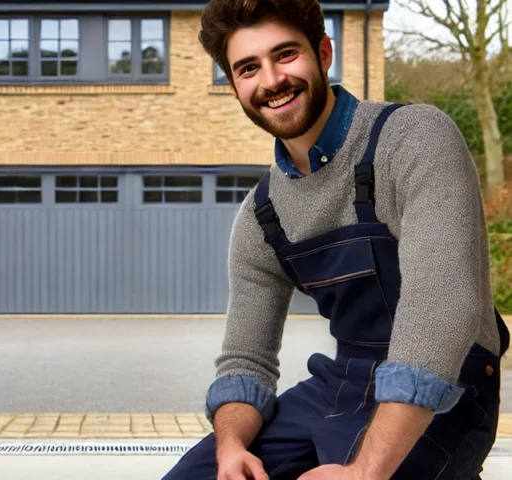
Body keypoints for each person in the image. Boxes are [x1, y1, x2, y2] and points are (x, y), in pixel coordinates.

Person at [161, 1, 511, 479]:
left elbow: (444, 306)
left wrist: (366, 470)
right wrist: (230, 448)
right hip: (342, 385)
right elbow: (246, 358)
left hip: (451, 386)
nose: (270, 80)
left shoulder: (413, 140)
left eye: (285, 55)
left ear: (323, 52)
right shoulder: (263, 216)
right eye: (248, 68)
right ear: (235, 86)